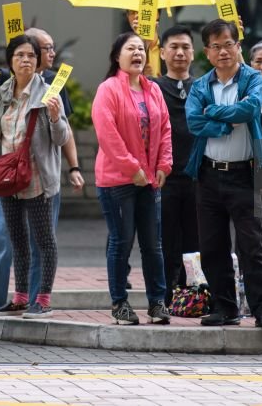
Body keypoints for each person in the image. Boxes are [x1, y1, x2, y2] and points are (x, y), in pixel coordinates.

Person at [0, 27, 84, 313]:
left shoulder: (48, 92)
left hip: (39, 179)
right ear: (10, 61)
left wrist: (56, 118)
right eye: (20, 55)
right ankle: (19, 299)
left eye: (32, 55)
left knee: (44, 241)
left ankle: (42, 300)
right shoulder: (4, 92)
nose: (26, 60)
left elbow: (61, 137)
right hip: (10, 180)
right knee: (17, 240)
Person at [184, 18, 262, 331]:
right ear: (207, 52)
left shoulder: (251, 78)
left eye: (229, 44)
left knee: (253, 246)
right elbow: (193, 123)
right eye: (216, 46)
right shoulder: (200, 85)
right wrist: (225, 121)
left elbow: (251, 108)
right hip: (209, 176)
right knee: (212, 247)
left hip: (244, 175)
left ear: (238, 47)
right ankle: (225, 307)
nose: (223, 51)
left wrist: (212, 112)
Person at [92, 32, 173, 325]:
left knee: (153, 244)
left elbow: (164, 130)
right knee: (121, 241)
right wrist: (132, 169)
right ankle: (120, 303)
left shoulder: (153, 90)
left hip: (149, 181)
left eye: (141, 49)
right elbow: (108, 135)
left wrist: (164, 165)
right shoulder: (108, 89)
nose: (138, 53)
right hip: (118, 182)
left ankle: (157, 303)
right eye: (131, 48)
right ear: (117, 56)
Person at [152, 24, 198, 304]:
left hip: (197, 177)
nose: (180, 53)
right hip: (164, 178)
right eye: (174, 47)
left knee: (196, 242)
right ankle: (165, 297)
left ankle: (194, 296)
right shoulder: (154, 87)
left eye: (185, 47)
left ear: (193, 53)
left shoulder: (204, 86)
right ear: (163, 52)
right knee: (165, 241)